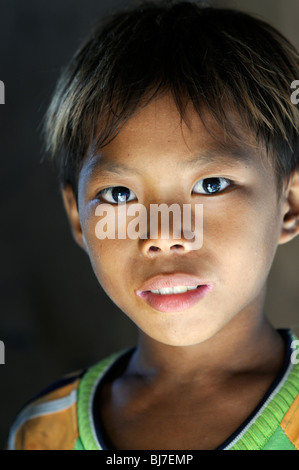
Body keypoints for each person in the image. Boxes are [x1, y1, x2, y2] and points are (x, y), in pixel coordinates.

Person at [8, 1, 299, 450]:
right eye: (120, 195)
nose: (164, 233)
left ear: (290, 203)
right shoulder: (43, 433)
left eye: (211, 184)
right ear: (78, 219)